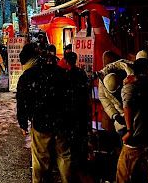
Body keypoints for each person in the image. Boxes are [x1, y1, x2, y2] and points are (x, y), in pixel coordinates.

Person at [16, 43, 71, 183]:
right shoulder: (56, 71)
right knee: (64, 156)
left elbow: (21, 102)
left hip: (41, 122)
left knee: (40, 159)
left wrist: (23, 123)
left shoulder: (26, 77)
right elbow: (68, 95)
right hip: (62, 120)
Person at [115, 55, 148, 183]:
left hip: (135, 140)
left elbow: (127, 107)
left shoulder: (130, 86)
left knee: (124, 174)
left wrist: (129, 131)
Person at [65, 51, 92, 180]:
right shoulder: (81, 73)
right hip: (81, 109)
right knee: (80, 135)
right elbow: (86, 88)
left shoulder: (66, 75)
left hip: (71, 110)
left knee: (73, 136)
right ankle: (81, 160)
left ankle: (75, 161)